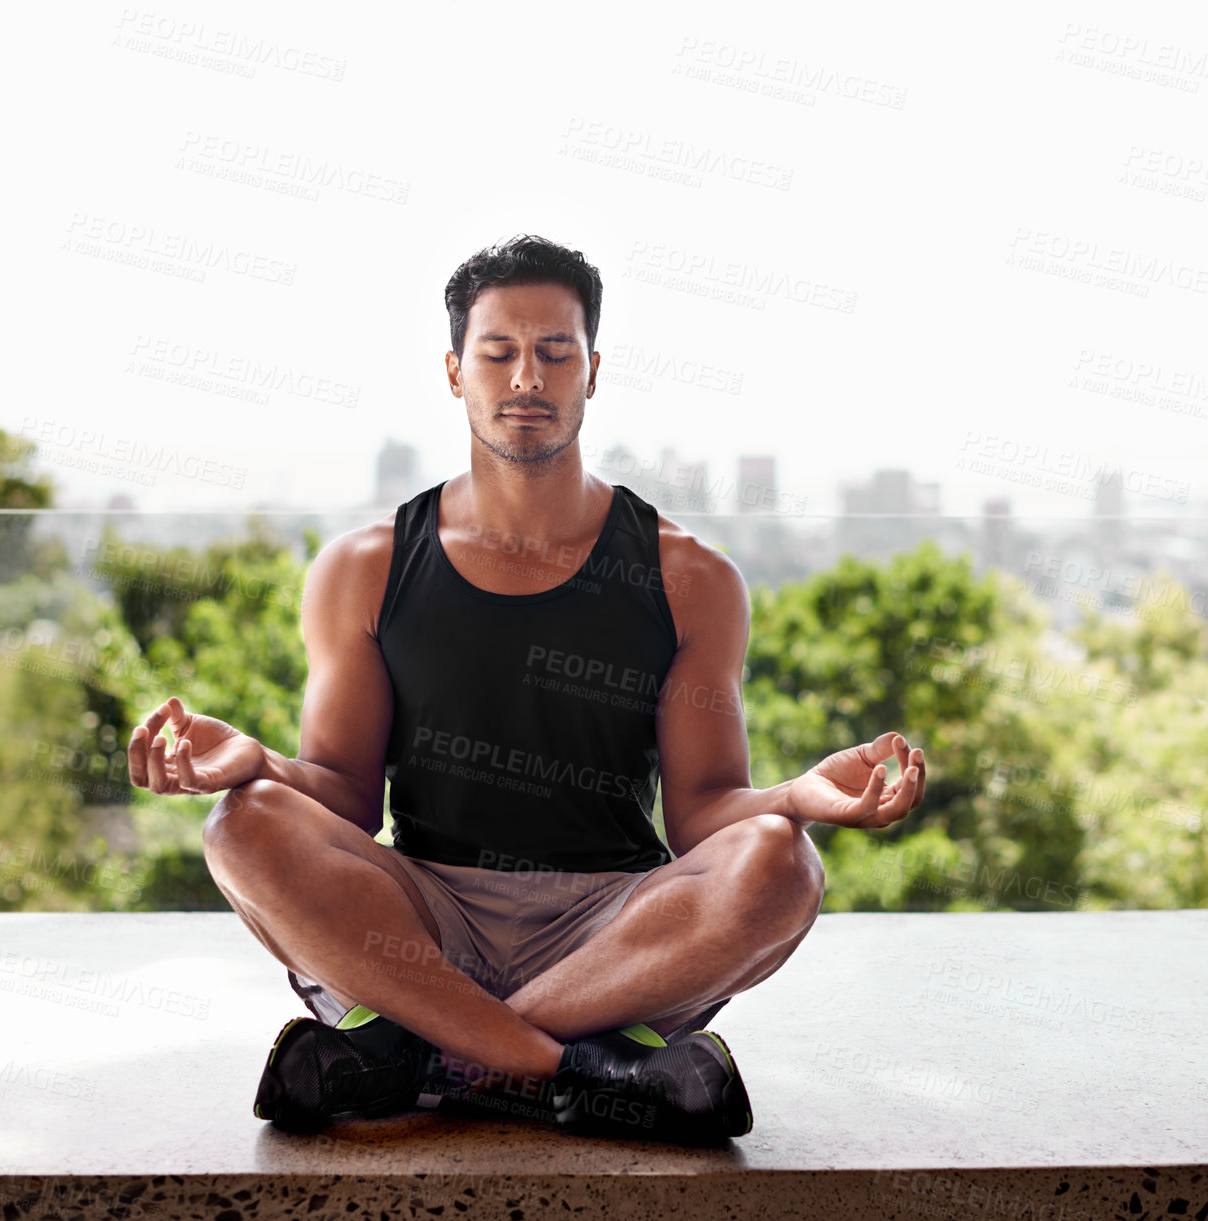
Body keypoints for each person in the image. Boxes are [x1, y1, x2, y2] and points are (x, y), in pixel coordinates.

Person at [127, 233, 927, 1143]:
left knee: (784, 863)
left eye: (555, 353)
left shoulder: (689, 576)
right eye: (498, 353)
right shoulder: (364, 567)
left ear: (593, 370)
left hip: (616, 934)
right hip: (423, 918)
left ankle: (421, 1053)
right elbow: (344, 804)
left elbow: (701, 819)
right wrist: (253, 760)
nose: (526, 380)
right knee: (243, 824)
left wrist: (799, 795)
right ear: (454, 370)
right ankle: (569, 1070)